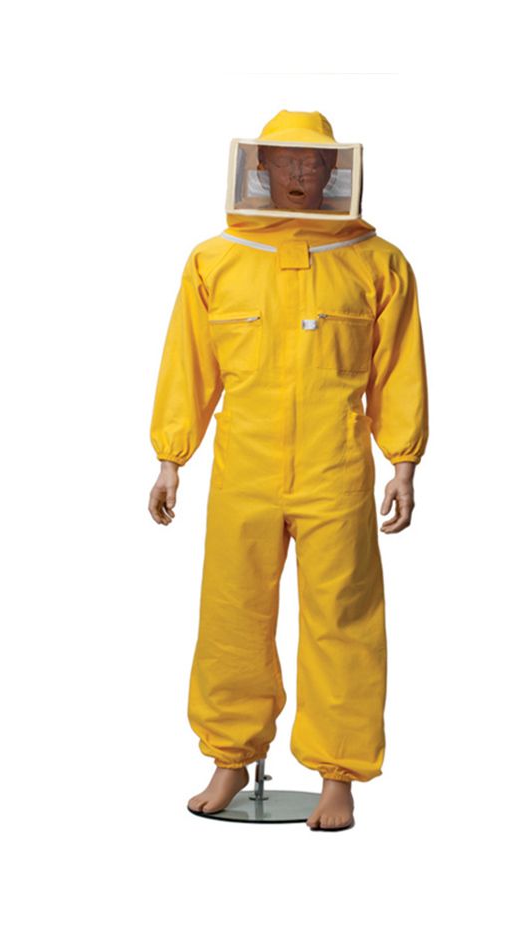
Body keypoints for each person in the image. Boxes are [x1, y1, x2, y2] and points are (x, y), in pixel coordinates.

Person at [148, 110, 429, 831]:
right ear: (260, 166)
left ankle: (338, 774)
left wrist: (403, 462)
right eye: (287, 162)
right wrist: (170, 457)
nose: (302, 175)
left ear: (337, 170)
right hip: (244, 465)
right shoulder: (216, 260)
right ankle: (230, 757)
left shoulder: (378, 261)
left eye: (315, 163)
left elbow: (399, 370)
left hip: (338, 467)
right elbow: (189, 363)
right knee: (232, 614)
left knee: (344, 618)